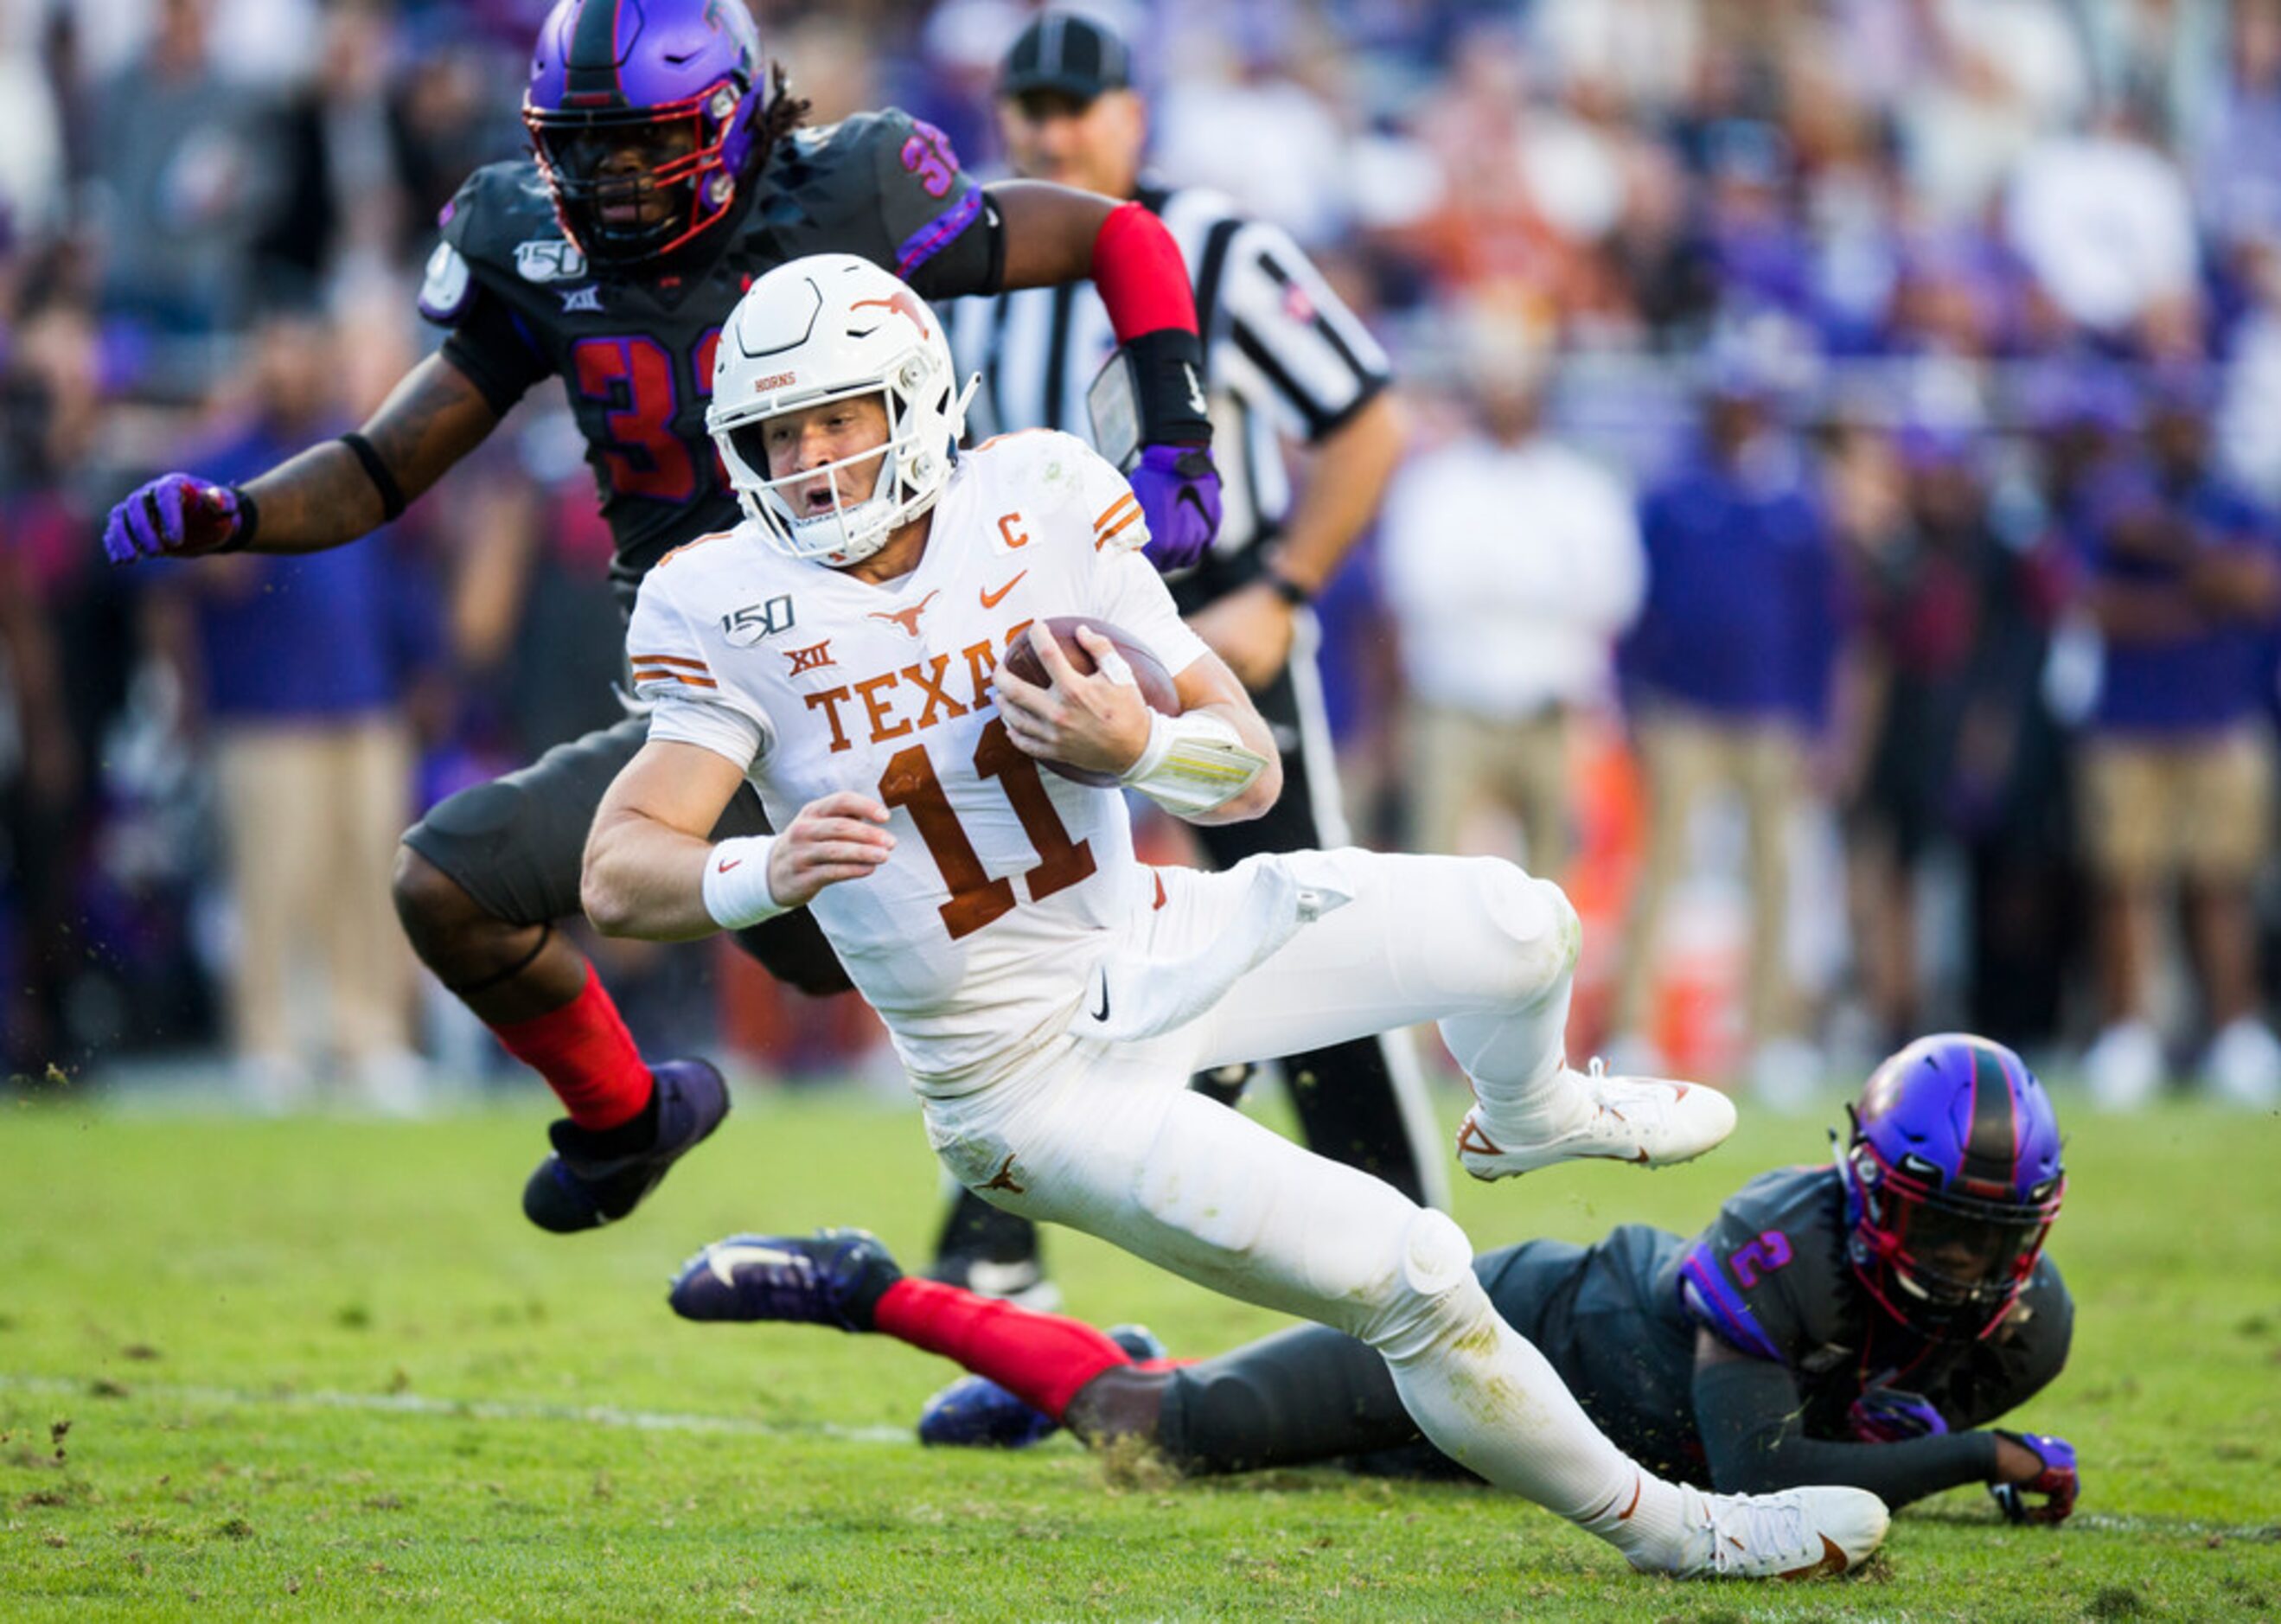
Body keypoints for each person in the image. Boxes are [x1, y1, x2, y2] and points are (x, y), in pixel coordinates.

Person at [579, 252, 1887, 1582]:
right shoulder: (722, 599)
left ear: (913, 398)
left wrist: (1137, 739)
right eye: (776, 434)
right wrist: (762, 869)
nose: (806, 461)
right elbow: (620, 868)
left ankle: (1535, 1102)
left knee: (1521, 920)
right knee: (1415, 1274)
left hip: (1148, 930)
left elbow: (1247, 764)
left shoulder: (1036, 496)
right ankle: (1682, 1531)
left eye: (836, 418)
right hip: (1023, 1080)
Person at [99, 0, 1225, 1232]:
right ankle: (627, 1115)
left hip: (901, 672)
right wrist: (243, 514)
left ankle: (1154, 1093)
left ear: (736, 121)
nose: (613, 178)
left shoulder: (845, 192)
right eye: (584, 147)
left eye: (645, 143)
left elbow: (1117, 235)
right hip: (723, 715)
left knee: (1008, 1015)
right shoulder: (530, 246)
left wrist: (1174, 431)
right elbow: (384, 463)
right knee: (447, 890)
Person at [672, 1034, 2079, 1530]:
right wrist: (1968, 1454)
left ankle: (1091, 1365)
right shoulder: (1785, 1246)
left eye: (1981, 1232)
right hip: (1479, 1341)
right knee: (1159, 1435)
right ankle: (869, 1288)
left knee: (1226, 1428)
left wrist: (1918, 1433)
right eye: (1932, 1225)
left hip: (1528, 1454)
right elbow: (1754, 1465)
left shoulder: (2029, 1327)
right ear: (1865, 1191)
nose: (1958, 1263)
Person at [929, 10, 1432, 1302]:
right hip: (1034, 630)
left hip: (1208, 615)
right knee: (1018, 922)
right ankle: (994, 1246)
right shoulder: (971, 256)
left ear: (1131, 117)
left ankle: (1409, 1242)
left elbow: (1367, 419)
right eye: (1026, 110)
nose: (1048, 132)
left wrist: (1283, 588)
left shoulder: (1216, 246)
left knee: (1297, 913)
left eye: (1074, 107)